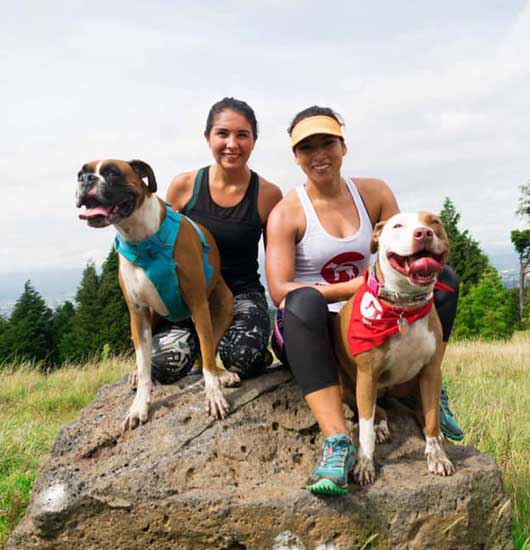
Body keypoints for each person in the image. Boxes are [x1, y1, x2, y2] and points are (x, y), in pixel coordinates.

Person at [265, 106, 462, 496]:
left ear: (343, 146)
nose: (319, 154)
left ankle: (428, 389)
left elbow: (400, 246)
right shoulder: (287, 212)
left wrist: (382, 287)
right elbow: (280, 290)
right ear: (296, 156)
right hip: (315, 328)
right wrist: (355, 287)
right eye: (307, 147)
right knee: (303, 302)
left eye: (328, 143)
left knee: (446, 282)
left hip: (379, 311)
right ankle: (338, 440)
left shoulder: (374, 192)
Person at [151, 97, 282, 384]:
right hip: (190, 297)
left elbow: (276, 260)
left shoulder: (268, 195)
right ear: (207, 137)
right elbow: (161, 249)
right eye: (222, 133)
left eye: (242, 135)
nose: (232, 144)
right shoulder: (184, 186)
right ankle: (199, 348)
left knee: (240, 358)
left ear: (254, 140)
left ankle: (256, 352)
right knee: (164, 365)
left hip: (241, 295)